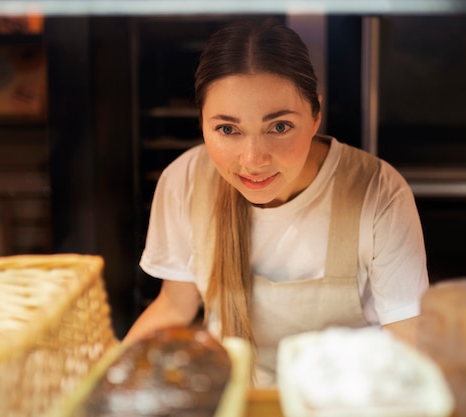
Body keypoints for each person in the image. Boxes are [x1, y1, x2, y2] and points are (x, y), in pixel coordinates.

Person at [124, 19, 429, 386]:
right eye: (227, 129)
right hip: (239, 399)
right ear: (202, 122)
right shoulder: (186, 181)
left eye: (279, 127)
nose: (253, 159)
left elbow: (407, 336)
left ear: (316, 115)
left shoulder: (377, 192)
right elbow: (175, 305)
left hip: (349, 401)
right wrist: (101, 384)